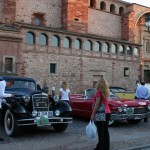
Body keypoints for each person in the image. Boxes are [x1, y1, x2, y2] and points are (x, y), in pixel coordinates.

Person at [91, 78, 111, 150]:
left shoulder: (98, 92)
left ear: (98, 84)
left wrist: (93, 114)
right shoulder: (106, 92)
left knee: (100, 132)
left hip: (101, 114)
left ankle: (100, 148)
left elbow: (97, 104)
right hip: (108, 112)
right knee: (105, 132)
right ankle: (106, 147)